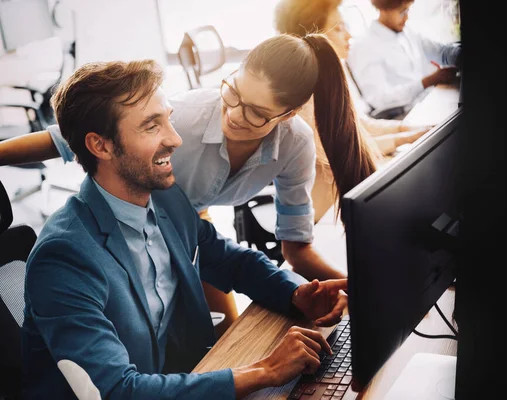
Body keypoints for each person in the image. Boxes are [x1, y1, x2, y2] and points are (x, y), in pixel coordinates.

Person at [0, 32, 375, 332]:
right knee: (192, 334)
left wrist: (346, 291)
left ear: (288, 114)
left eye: (258, 114)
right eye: (233, 93)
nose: (234, 115)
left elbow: (280, 253)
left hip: (186, 225)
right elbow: (69, 136)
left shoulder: (294, 143)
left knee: (219, 334)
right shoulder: (186, 116)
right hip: (154, 221)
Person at [22, 59, 349, 399]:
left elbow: (229, 261)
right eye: (152, 127)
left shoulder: (166, 200)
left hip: (181, 375)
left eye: (170, 120)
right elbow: (119, 391)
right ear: (100, 146)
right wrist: (263, 371)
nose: (176, 140)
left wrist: (295, 294)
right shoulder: (64, 257)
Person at [274, 0, 432, 221]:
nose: (348, 35)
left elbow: (359, 123)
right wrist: (403, 138)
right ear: (313, 36)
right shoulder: (300, 92)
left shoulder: (332, 70)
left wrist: (405, 128)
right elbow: (340, 150)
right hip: (327, 210)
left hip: (345, 191)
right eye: (338, 28)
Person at [347, 0, 461, 116]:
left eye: (408, 10)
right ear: (384, 10)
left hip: (428, 100)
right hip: (406, 115)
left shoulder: (408, 32)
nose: (406, 17)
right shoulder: (365, 46)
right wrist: (427, 81)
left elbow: (441, 52)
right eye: (402, 12)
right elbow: (379, 99)